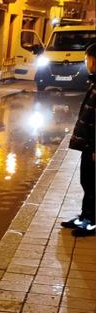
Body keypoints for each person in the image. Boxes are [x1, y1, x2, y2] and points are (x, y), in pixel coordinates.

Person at [61, 42, 95, 237]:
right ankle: (85, 216)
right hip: (88, 144)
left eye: (87, 58)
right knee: (87, 182)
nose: (85, 62)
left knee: (92, 184)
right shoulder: (94, 81)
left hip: (93, 146)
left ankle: (92, 222)